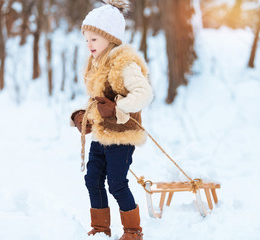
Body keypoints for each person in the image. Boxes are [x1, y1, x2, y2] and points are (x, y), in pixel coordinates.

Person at [69, 0, 153, 239]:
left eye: (94, 39)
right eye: (86, 39)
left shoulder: (124, 64)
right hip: (102, 135)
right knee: (93, 179)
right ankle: (100, 228)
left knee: (117, 183)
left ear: (111, 37)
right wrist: (81, 117)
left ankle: (133, 231)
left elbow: (144, 93)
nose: (89, 44)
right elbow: (97, 101)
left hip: (122, 135)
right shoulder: (97, 65)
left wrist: (118, 108)